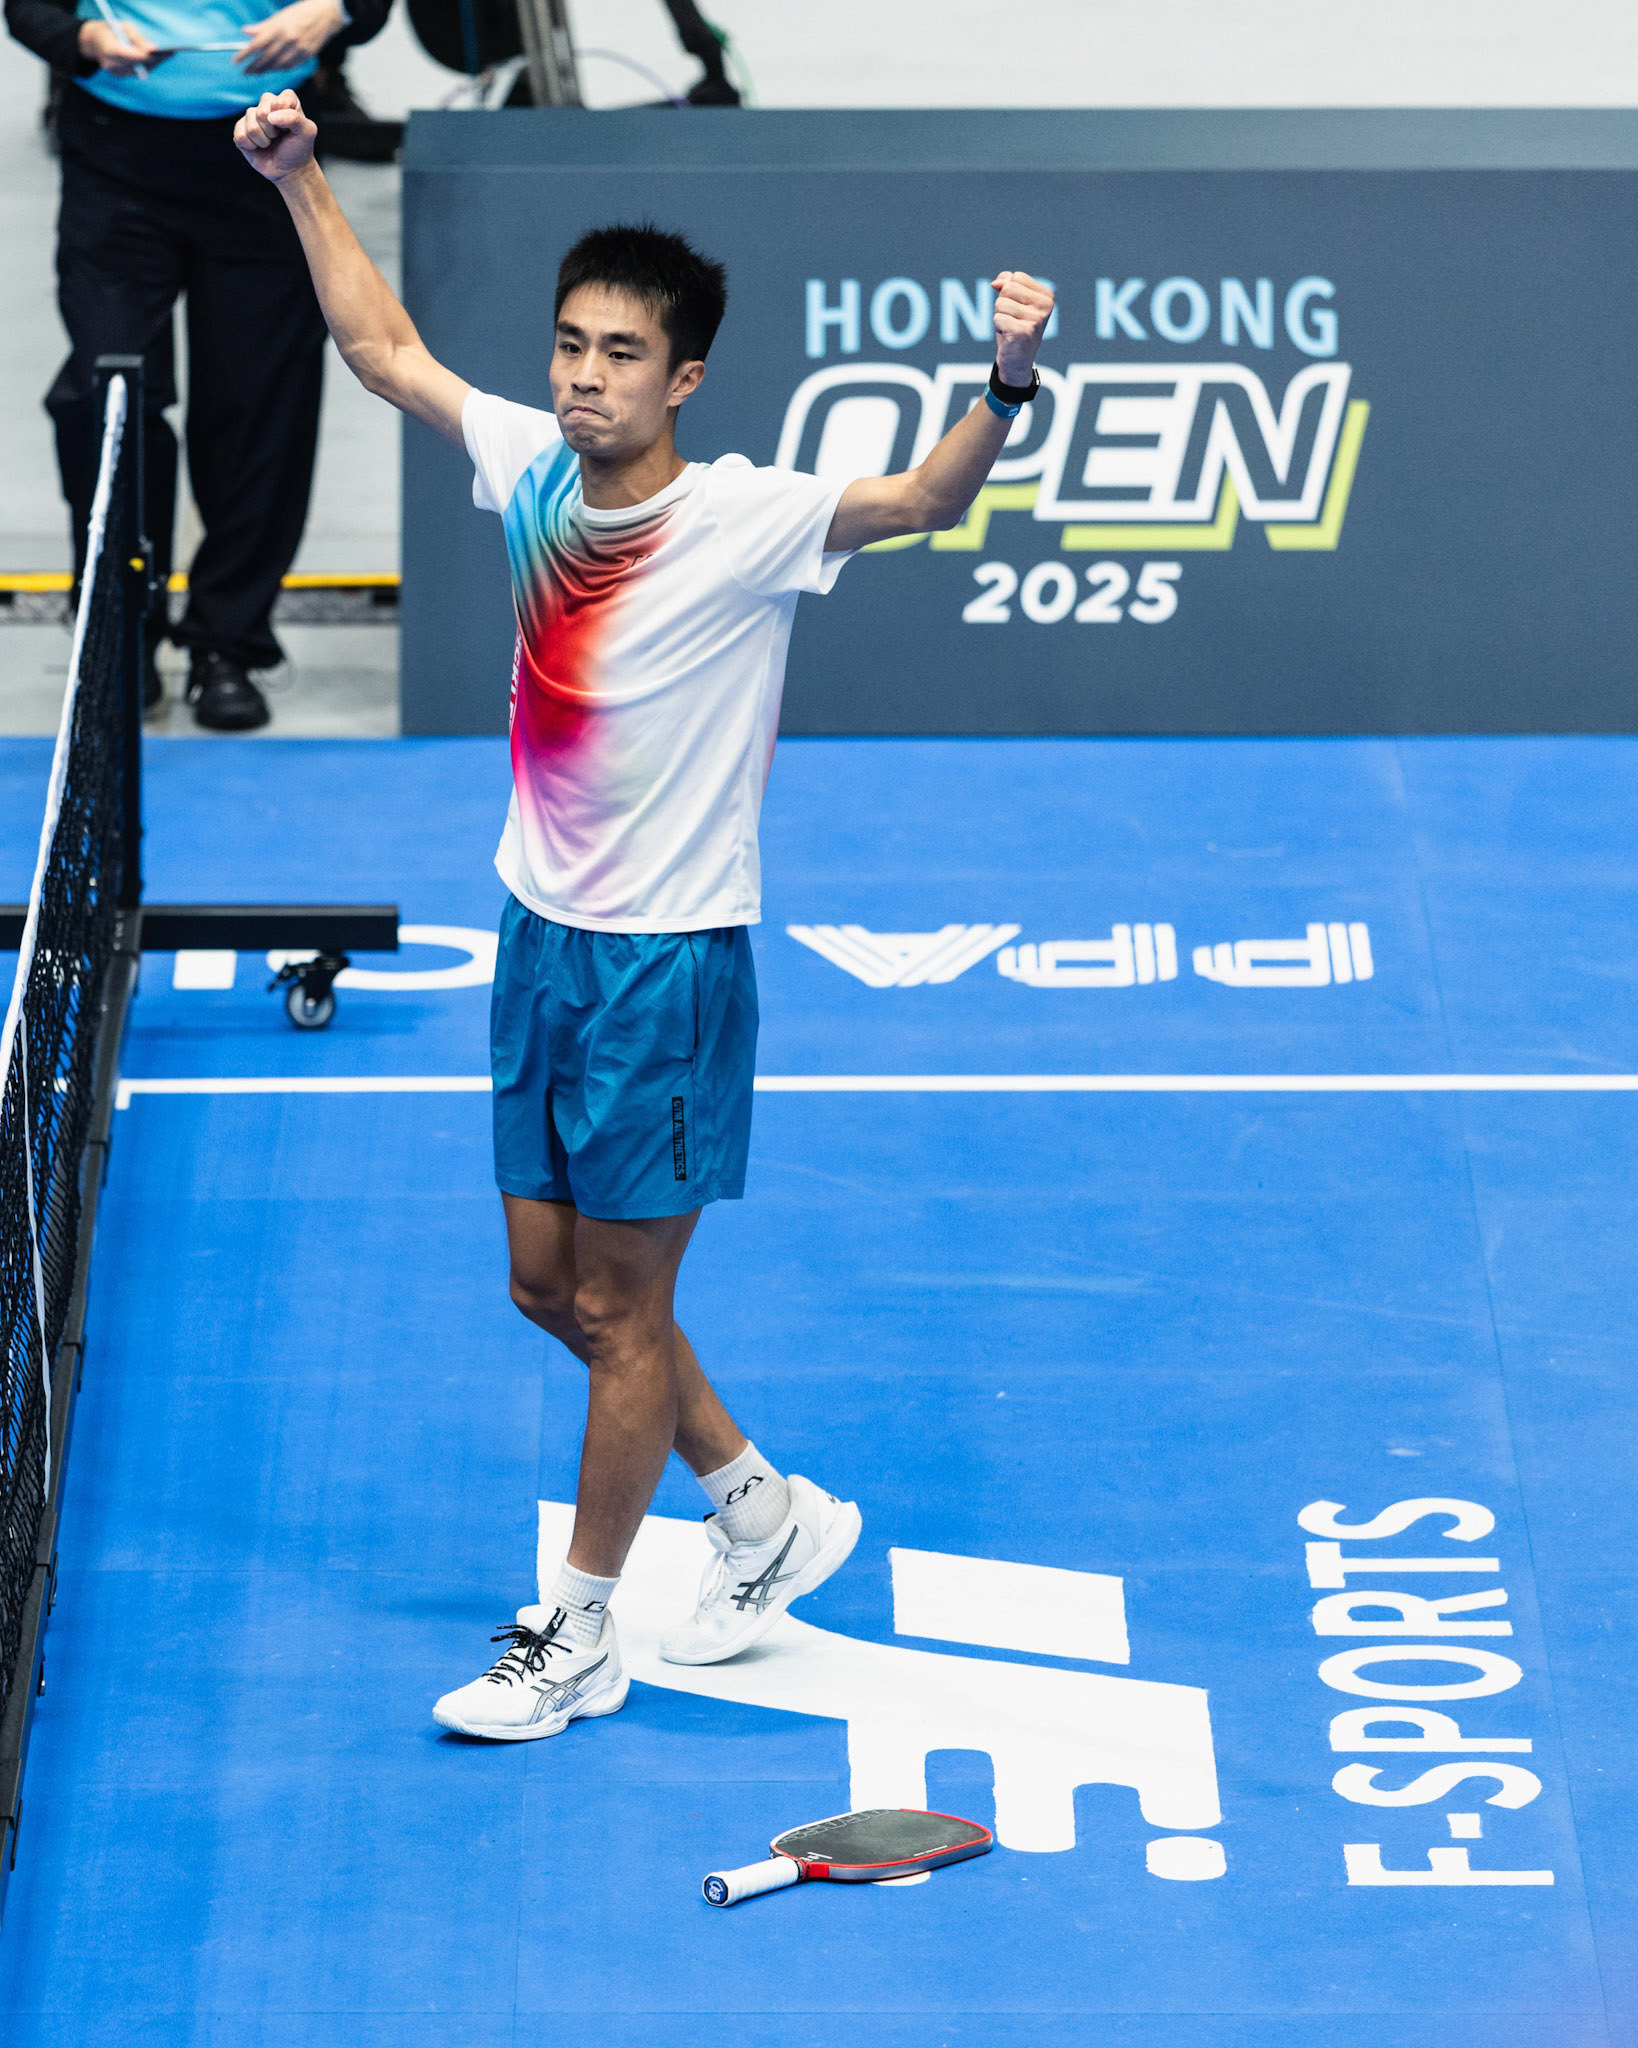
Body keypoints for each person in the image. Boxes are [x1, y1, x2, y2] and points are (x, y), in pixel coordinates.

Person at [234, 85, 1055, 1742]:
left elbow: (920, 504)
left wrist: (1006, 379)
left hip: (666, 973)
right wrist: (302, 175)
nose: (581, 374)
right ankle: (759, 1508)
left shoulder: (743, 517)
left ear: (680, 378)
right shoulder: (532, 466)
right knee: (549, 1287)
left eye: (618, 353)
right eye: (568, 344)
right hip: (538, 938)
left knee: (620, 1314)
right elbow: (387, 350)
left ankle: (583, 1629)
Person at [4, 0, 391, 728]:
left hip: (273, 149)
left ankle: (229, 645)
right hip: (115, 154)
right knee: (108, 396)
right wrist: (81, 38)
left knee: (259, 403)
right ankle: (120, 636)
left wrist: (331, 12)